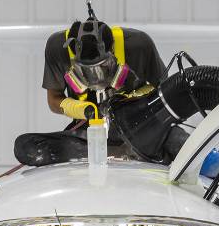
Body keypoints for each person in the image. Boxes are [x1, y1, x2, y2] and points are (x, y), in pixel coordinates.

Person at [14, 16, 183, 167]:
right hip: (89, 133)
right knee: (26, 147)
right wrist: (82, 110)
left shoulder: (138, 45)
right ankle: (123, 152)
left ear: (112, 51)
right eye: (85, 70)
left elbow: (164, 89)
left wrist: (129, 102)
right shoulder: (58, 48)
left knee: (182, 144)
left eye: (102, 67)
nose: (95, 78)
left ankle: (127, 150)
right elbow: (53, 99)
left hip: (140, 127)